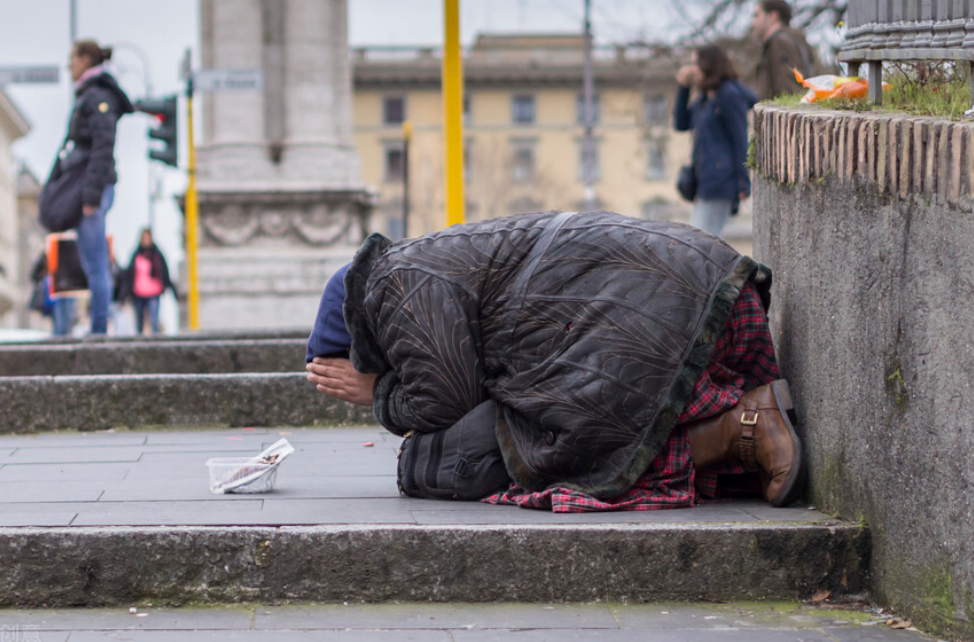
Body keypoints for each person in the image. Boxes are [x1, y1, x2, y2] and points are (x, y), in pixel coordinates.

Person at [305, 210, 804, 512]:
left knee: (546, 456)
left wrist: (377, 393)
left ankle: (744, 425)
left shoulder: (397, 282)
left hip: (668, 314)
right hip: (710, 294)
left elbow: (448, 398)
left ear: (359, 344)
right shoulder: (420, 263)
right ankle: (741, 428)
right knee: (522, 426)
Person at [59, 39, 134, 335]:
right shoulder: (92, 94)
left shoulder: (98, 96)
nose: (69, 66)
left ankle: (100, 329)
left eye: (73, 59)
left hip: (93, 189)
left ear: (86, 59)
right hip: (92, 187)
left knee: (95, 261)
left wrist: (90, 196)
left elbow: (103, 148)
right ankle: (100, 326)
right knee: (93, 260)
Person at [674, 45, 757, 239]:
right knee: (701, 242)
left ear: (708, 65)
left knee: (698, 242)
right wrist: (683, 88)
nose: (691, 69)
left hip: (721, 182)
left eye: (695, 63)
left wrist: (743, 183)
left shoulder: (728, 95)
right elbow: (680, 123)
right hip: (705, 182)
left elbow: (739, 138)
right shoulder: (705, 98)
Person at [751, 0, 816, 101]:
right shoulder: (791, 40)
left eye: (757, 15)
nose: (753, 22)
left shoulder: (780, 43)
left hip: (784, 114)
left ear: (772, 16)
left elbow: (788, 91)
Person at [123, 228, 176, 335]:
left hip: (153, 292)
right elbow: (129, 276)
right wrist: (124, 294)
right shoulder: (135, 255)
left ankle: (156, 340)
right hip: (137, 293)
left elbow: (165, 272)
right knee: (139, 321)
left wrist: (171, 289)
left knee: (154, 318)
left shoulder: (157, 254)